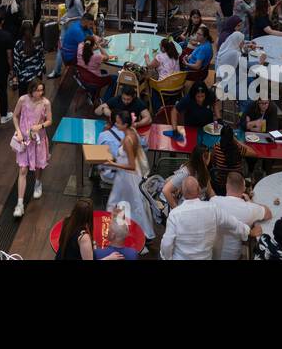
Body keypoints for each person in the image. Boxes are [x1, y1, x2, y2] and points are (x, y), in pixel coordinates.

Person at [159, 175, 259, 260]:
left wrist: (167, 257)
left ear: (183, 193)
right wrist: (250, 232)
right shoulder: (212, 208)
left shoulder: (175, 214)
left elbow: (167, 244)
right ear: (199, 190)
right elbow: (233, 223)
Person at [105, 110, 154, 242]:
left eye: (118, 123)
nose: (116, 124)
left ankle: (127, 230)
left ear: (125, 124)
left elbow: (131, 165)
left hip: (127, 177)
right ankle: (127, 228)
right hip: (128, 176)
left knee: (125, 202)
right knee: (130, 203)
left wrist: (113, 164)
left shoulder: (128, 140)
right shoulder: (131, 131)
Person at [11, 80, 52, 217]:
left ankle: (38, 183)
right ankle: (20, 203)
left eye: (41, 90)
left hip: (38, 139)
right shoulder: (23, 99)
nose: (39, 93)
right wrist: (18, 131)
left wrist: (40, 126)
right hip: (24, 138)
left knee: (39, 166)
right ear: (31, 90)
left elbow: (49, 120)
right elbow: (15, 116)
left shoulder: (45, 103)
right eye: (37, 90)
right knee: (23, 169)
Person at [213, 171, 270, 259]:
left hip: (212, 253)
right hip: (233, 256)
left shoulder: (214, 201)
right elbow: (268, 213)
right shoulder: (249, 208)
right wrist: (250, 202)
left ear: (226, 186)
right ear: (243, 189)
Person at [49, 8, 90, 78]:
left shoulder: (76, 1)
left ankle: (57, 71)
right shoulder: (77, 29)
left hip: (70, 26)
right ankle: (57, 71)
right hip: (71, 55)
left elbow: (80, 15)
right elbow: (70, 12)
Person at [209, 125, 245, 196]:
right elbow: (252, 153)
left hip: (220, 183)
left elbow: (213, 161)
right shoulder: (239, 148)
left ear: (221, 136)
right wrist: (237, 141)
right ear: (232, 137)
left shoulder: (216, 147)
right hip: (236, 182)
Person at [215, 30, 248, 102]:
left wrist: (247, 47)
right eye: (242, 41)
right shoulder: (234, 53)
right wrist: (260, 61)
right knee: (249, 83)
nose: (243, 43)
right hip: (226, 83)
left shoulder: (225, 45)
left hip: (219, 76)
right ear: (237, 41)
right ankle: (242, 110)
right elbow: (245, 64)